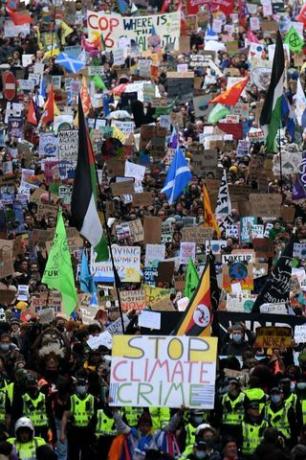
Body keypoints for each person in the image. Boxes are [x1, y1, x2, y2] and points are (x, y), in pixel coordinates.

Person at [60, 375, 97, 460]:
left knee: (87, 454)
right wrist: (62, 433)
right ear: (76, 386)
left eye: (83, 384)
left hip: (88, 430)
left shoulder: (92, 399)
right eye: (79, 385)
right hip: (74, 430)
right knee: (73, 454)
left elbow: (97, 417)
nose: (81, 387)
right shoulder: (72, 398)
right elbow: (65, 416)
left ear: (87, 386)